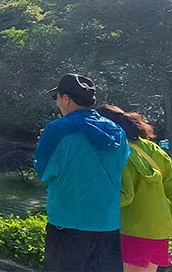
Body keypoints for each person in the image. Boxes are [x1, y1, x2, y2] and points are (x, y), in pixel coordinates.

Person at [34, 74, 130, 271]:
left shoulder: (57, 129)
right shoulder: (116, 131)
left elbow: (44, 172)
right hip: (108, 227)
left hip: (68, 225)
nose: (57, 103)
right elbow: (119, 165)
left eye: (57, 97)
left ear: (66, 98)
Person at [97, 105, 172, 272]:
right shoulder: (154, 149)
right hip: (160, 229)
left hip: (134, 229)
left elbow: (125, 196)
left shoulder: (118, 152)